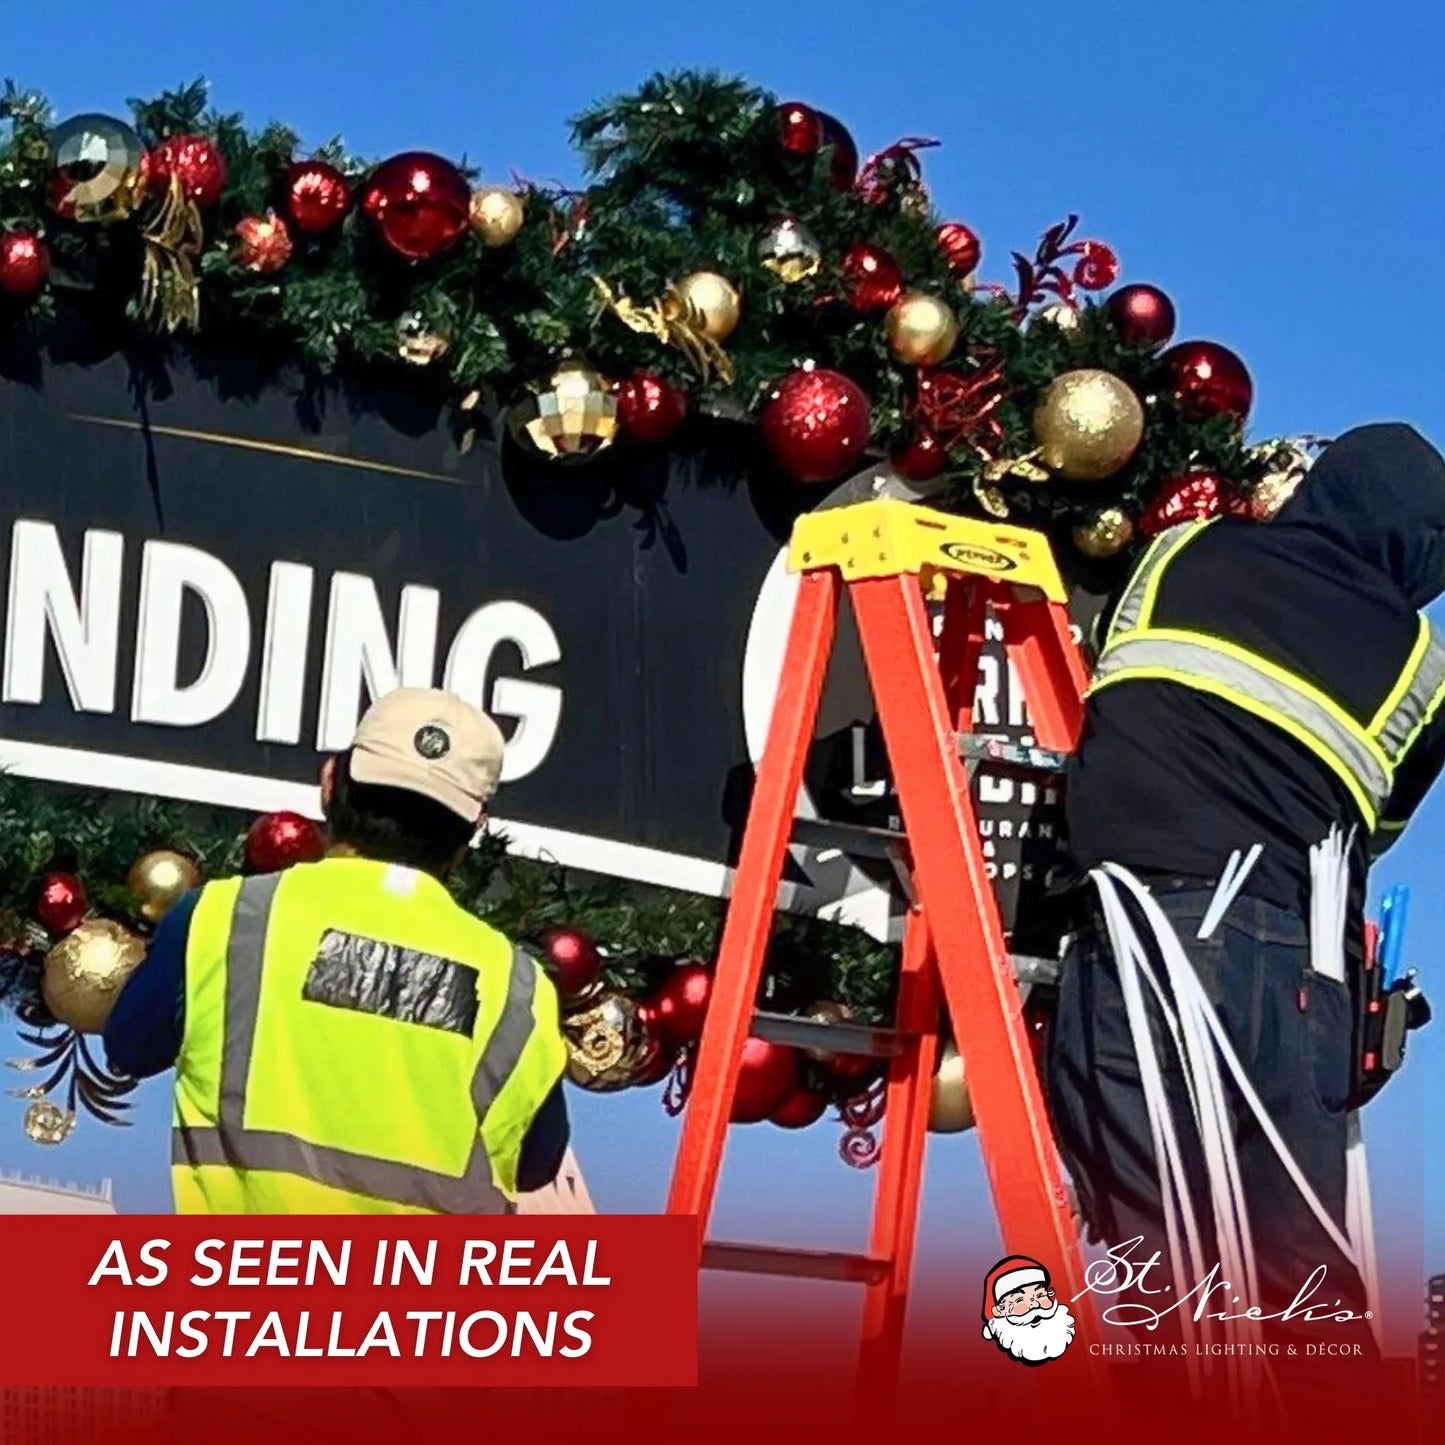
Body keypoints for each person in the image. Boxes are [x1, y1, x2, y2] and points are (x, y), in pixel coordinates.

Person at [1046, 424, 1445, 1359]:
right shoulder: (1420, 666)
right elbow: (1373, 827)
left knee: (1159, 1265)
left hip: (1159, 938)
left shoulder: (1183, 552)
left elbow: (1111, 682)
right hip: (1305, 979)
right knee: (1301, 1275)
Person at [105, 687, 570, 1213]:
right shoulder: (519, 989)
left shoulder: (223, 919)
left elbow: (130, 1047)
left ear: (331, 781)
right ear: (475, 827)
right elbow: (537, 1163)